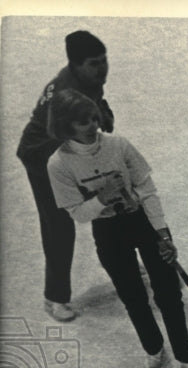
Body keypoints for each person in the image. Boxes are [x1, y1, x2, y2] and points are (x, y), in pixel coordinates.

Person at [46, 89, 188, 368]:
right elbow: (78, 214)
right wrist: (103, 199)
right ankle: (153, 347)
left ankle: (185, 355)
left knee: (169, 294)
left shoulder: (119, 145)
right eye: (84, 122)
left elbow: (146, 188)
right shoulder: (59, 164)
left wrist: (162, 232)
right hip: (109, 232)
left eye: (94, 117)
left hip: (143, 222)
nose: (94, 125)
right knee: (133, 297)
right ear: (66, 125)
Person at [17, 30, 115, 322]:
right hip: (42, 156)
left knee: (111, 202)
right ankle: (55, 298)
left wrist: (103, 112)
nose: (102, 68)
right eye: (94, 63)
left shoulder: (87, 80)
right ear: (76, 65)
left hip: (67, 148)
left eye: (104, 60)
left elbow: (95, 102)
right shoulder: (65, 95)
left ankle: (125, 263)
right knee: (60, 225)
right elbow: (62, 138)